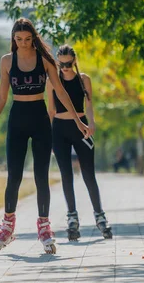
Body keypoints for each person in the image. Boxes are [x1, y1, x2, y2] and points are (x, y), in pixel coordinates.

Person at [0, 18, 90, 255]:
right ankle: (7, 226)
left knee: (41, 176)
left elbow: (60, 91)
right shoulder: (7, 61)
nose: (24, 44)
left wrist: (78, 121)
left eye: (28, 39)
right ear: (13, 39)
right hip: (17, 119)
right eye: (19, 40)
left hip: (40, 119)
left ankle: (44, 227)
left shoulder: (45, 60)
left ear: (34, 38)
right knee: (14, 176)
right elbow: (1, 97)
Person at [47, 44, 112, 241]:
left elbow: (89, 104)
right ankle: (72, 219)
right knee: (66, 176)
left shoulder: (84, 80)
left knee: (88, 174)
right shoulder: (53, 81)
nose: (65, 67)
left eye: (68, 63)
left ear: (74, 61)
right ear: (57, 62)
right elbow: (51, 110)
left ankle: (100, 217)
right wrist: (49, 136)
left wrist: (92, 123)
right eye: (61, 64)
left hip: (81, 128)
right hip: (59, 129)